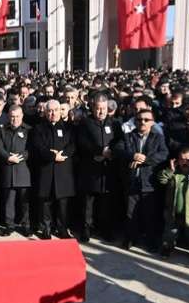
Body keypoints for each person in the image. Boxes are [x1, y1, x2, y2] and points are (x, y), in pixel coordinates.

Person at [113, 108, 169, 251]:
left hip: (149, 182)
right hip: (132, 181)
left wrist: (145, 159)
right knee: (130, 213)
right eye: (139, 119)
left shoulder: (158, 138)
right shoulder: (128, 136)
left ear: (152, 122)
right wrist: (133, 155)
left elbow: (163, 154)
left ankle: (150, 241)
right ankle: (130, 238)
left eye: (146, 120)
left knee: (149, 214)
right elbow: (118, 150)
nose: (142, 122)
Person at [76, 94, 119, 242]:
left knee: (106, 203)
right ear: (93, 108)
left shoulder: (114, 123)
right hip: (90, 169)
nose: (101, 112)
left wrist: (111, 152)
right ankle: (86, 229)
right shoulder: (85, 123)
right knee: (88, 203)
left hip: (107, 170)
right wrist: (99, 151)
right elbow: (82, 143)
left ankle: (105, 229)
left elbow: (119, 142)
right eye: (98, 108)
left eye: (104, 108)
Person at [31, 100, 77, 240]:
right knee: (46, 202)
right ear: (45, 112)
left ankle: (62, 229)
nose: (53, 113)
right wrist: (52, 156)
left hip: (63, 170)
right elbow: (38, 147)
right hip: (46, 170)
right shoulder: (38, 128)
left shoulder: (68, 128)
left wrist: (62, 155)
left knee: (63, 203)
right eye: (50, 111)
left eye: (56, 110)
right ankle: (46, 229)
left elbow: (72, 145)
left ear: (60, 111)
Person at [0, 105, 32, 237]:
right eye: (12, 116)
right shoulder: (2, 130)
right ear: (8, 116)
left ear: (22, 116)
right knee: (8, 201)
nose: (14, 119)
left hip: (23, 170)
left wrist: (19, 157)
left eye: (17, 116)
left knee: (24, 202)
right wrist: (8, 157)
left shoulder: (28, 130)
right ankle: (9, 226)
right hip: (8, 170)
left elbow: (30, 149)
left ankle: (25, 225)